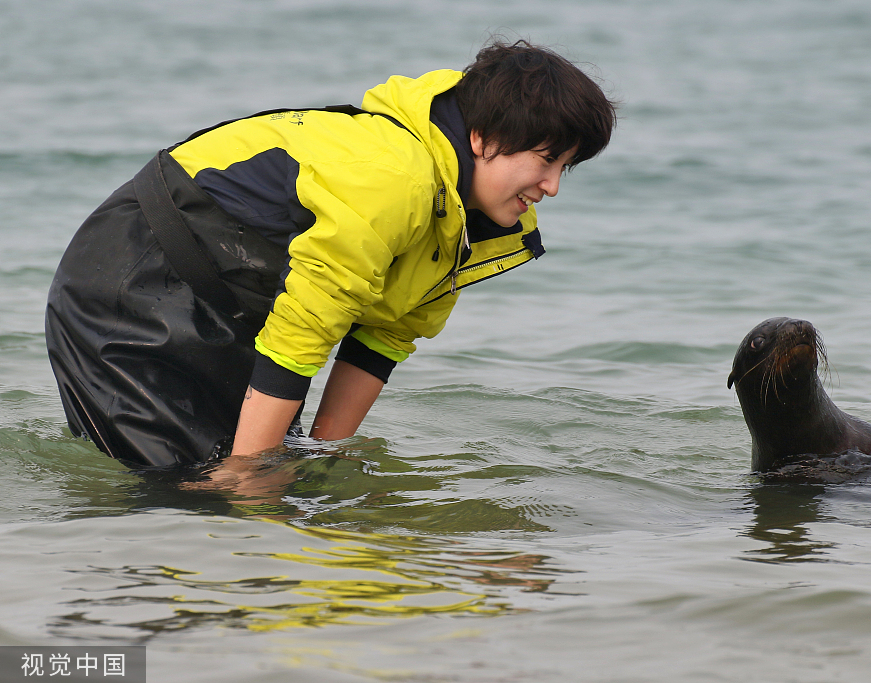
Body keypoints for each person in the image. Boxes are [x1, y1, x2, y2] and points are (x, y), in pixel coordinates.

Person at [45, 39, 616, 468]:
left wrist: (323, 454)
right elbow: (305, 328)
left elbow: (387, 335)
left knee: (286, 472)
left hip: (229, 307)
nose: (553, 187)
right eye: (546, 161)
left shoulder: (474, 219)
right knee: (192, 493)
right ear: (484, 139)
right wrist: (251, 478)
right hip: (131, 278)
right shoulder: (395, 175)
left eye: (566, 168)